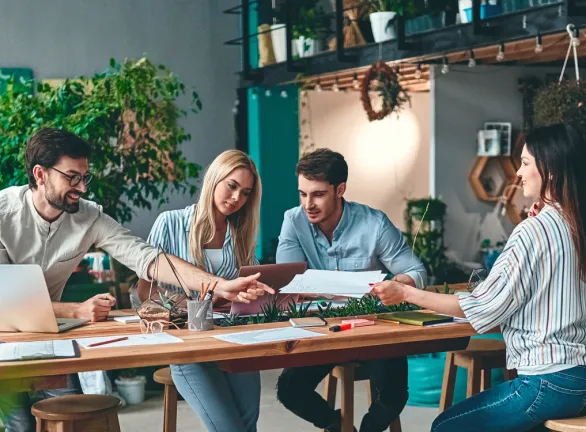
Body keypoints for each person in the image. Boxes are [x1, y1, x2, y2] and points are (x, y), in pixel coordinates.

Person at [0, 128, 271, 432]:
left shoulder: (89, 218)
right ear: (40, 174)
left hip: (49, 336)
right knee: (19, 426)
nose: (82, 188)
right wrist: (74, 311)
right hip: (5, 339)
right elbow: (4, 298)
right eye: (72, 177)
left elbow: (147, 257)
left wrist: (221, 286)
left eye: (85, 177)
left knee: (73, 420)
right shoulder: (3, 214)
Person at [371, 123, 586, 432]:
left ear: (550, 171)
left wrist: (406, 294)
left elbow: (483, 308)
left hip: (546, 382)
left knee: (446, 427)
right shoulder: (575, 223)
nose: (518, 173)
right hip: (579, 378)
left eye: (525, 163)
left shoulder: (533, 230)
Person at [275, 149, 427, 432]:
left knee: (393, 396)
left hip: (373, 328)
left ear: (340, 189)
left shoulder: (374, 223)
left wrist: (398, 286)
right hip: (322, 330)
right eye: (303, 194)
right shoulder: (293, 221)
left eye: (318, 194)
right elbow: (287, 282)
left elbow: (417, 272)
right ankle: (337, 426)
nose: (308, 204)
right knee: (289, 389)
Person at [137, 150, 264, 432]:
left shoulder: (240, 234)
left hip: (233, 340)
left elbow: (238, 292)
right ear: (214, 179)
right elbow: (145, 292)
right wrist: (193, 303)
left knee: (248, 426)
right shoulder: (169, 224)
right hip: (187, 346)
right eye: (232, 186)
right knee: (231, 429)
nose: (236, 199)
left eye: (245, 193)